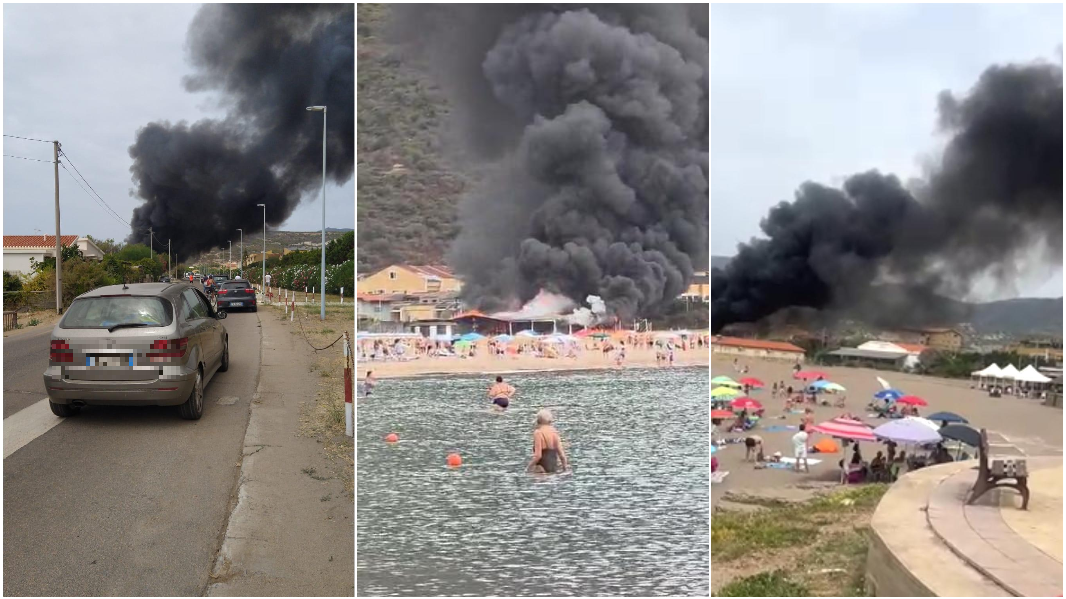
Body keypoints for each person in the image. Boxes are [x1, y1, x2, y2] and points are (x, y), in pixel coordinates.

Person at [528, 409, 568, 473]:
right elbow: (562, 455)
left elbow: (538, 456)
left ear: (538, 421)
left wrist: (528, 468)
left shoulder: (538, 433)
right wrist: (565, 468)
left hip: (541, 468)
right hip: (553, 467)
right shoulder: (554, 432)